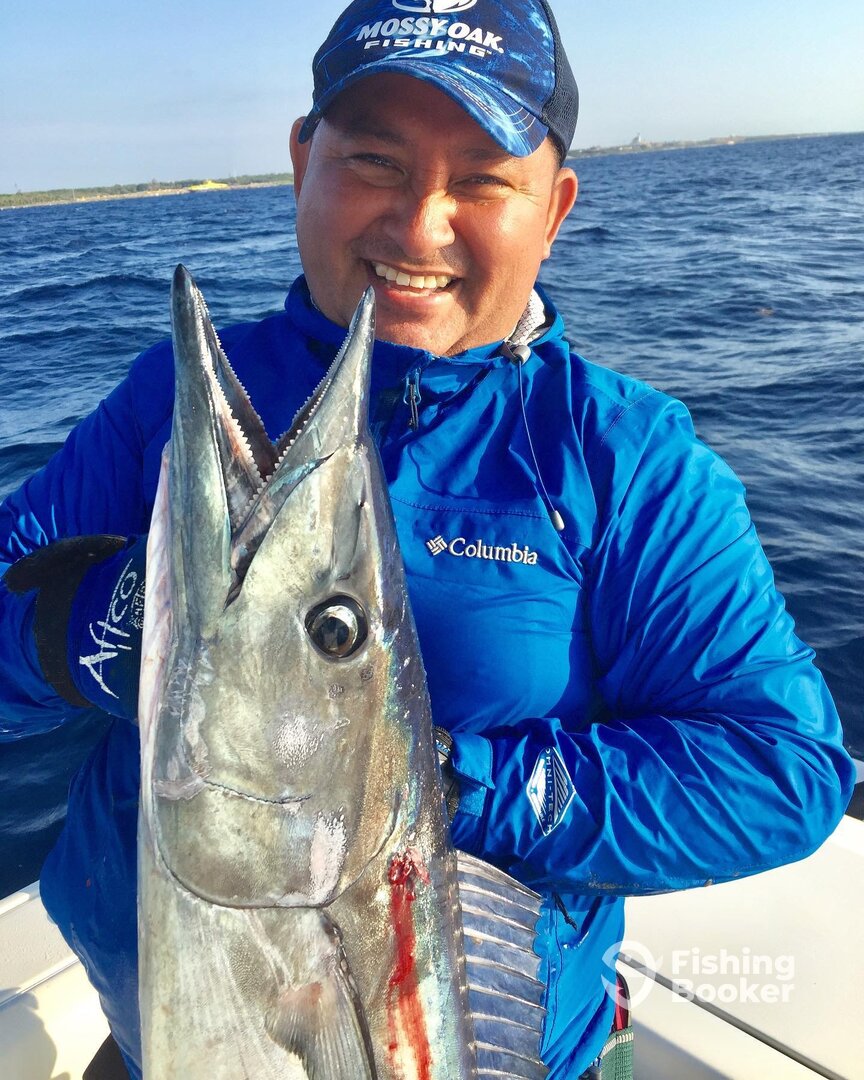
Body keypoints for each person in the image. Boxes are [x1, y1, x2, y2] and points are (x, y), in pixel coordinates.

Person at [0, 1, 855, 1077]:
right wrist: (92, 628)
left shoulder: (625, 458)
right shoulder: (172, 410)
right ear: (302, 161)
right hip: (150, 1036)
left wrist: (441, 788)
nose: (418, 226)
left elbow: (781, 770)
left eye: (483, 180)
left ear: (555, 208)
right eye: (374, 160)